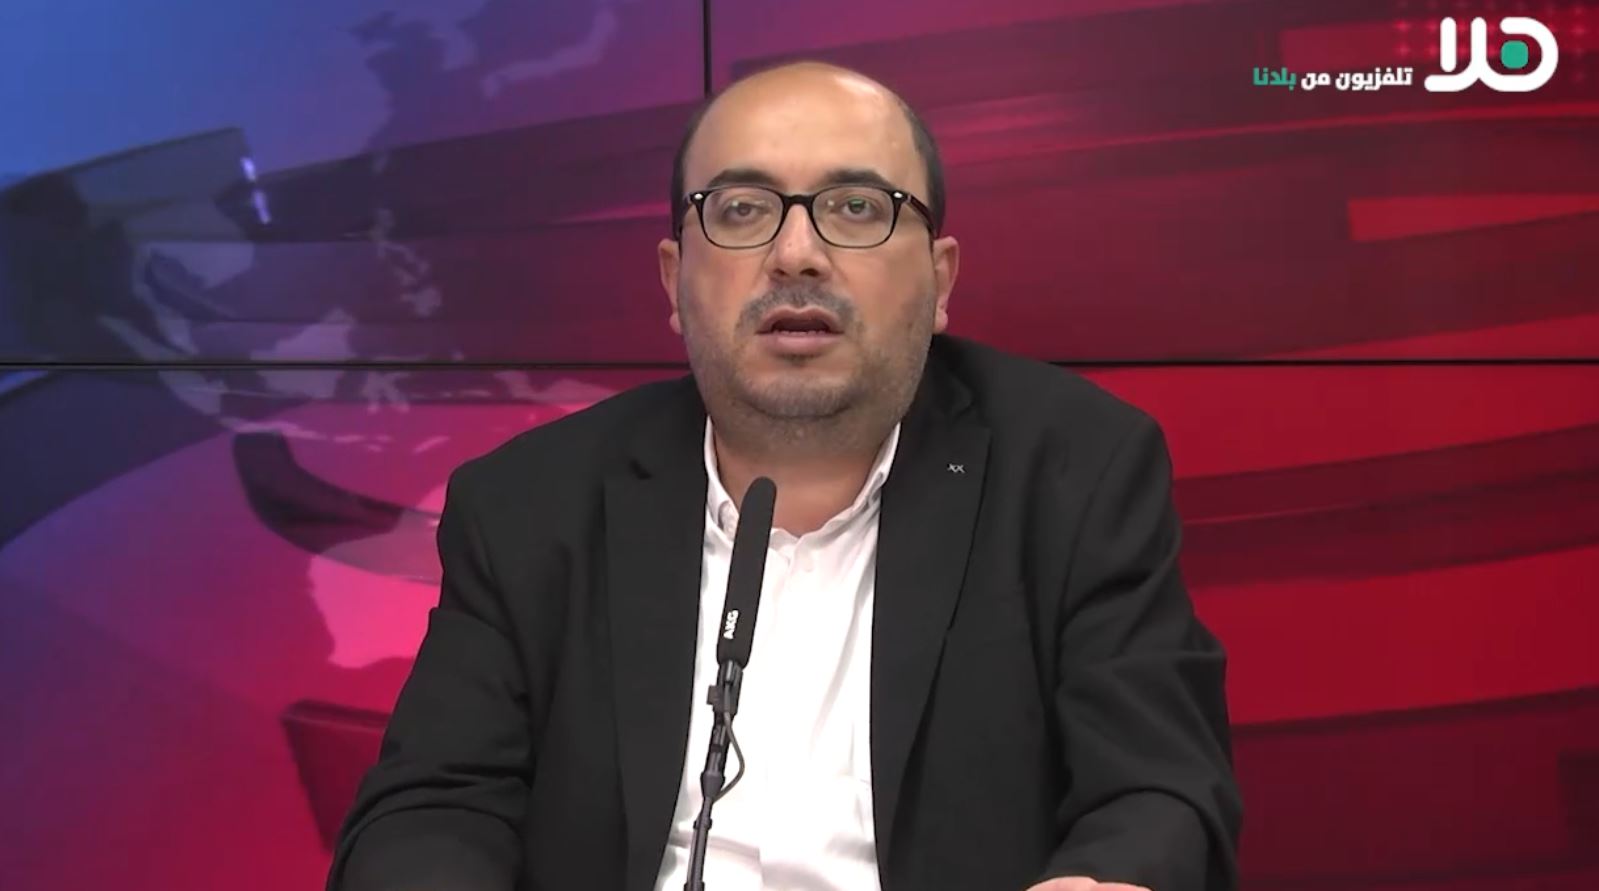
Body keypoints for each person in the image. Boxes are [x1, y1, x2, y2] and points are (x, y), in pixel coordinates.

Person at [328, 61, 1241, 891]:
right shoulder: (529, 505)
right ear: (673, 278)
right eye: (739, 209)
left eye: (856, 207)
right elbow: (430, 808)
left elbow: (1158, 789)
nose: (796, 253)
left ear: (939, 278)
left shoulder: (1074, 471)